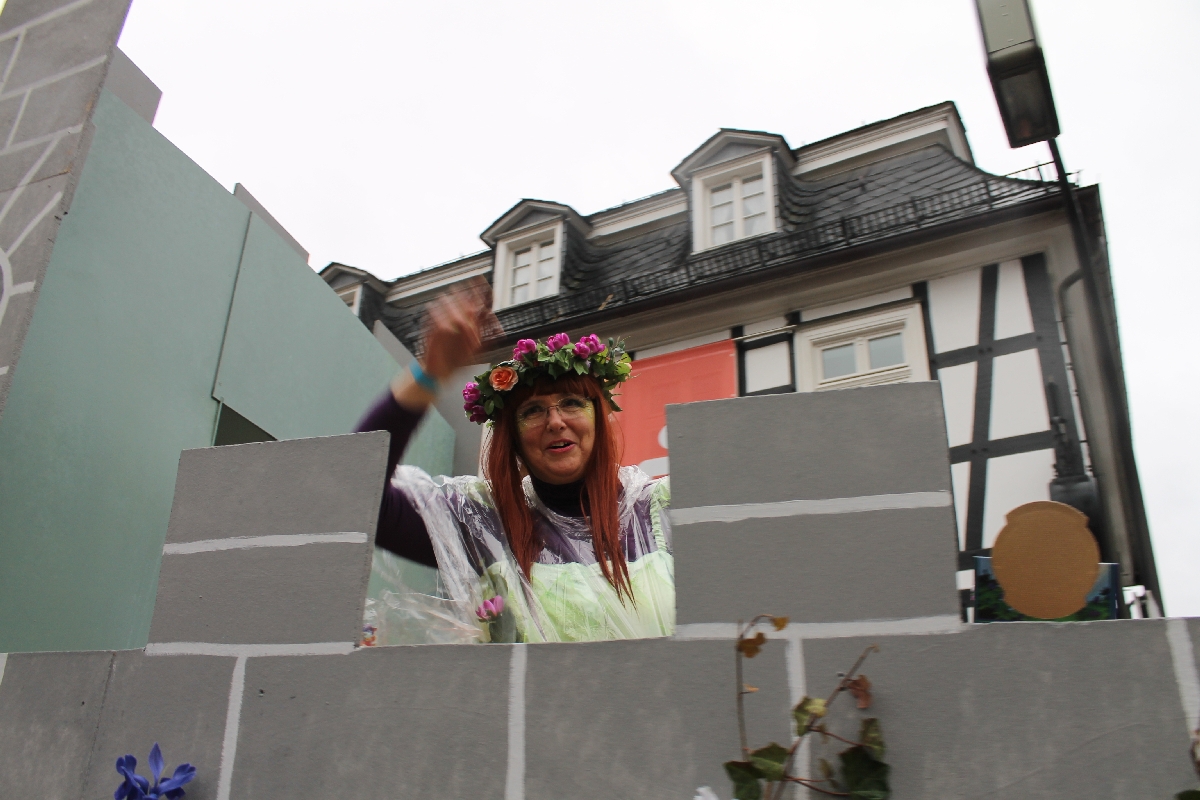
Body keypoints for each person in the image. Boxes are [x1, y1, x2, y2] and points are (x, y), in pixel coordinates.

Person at [355, 285, 674, 644]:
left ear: (598, 420)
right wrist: (430, 373)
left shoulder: (663, 510)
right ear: (515, 441)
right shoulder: (483, 525)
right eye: (533, 411)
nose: (555, 421)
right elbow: (357, 493)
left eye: (572, 402)